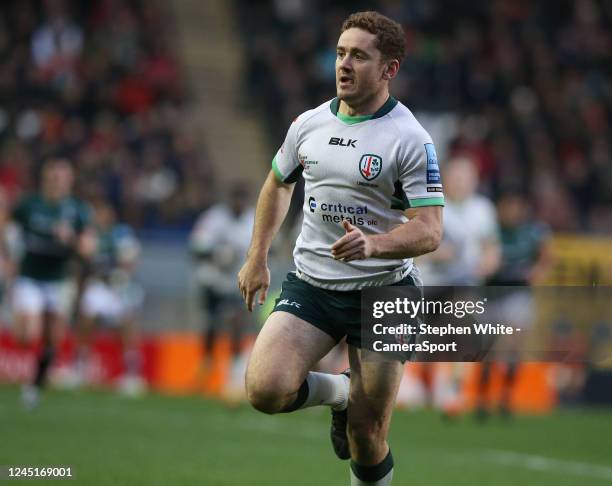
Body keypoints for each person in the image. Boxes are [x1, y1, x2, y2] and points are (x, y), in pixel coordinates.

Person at [238, 12, 444, 486]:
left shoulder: (410, 139)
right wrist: (257, 255)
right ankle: (338, 392)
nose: (344, 64)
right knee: (265, 390)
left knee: (367, 435)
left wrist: (375, 244)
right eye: (340, 53)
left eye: (359, 55)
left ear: (389, 69)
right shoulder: (308, 124)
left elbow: (431, 230)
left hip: (385, 291)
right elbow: (277, 183)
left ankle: (354, 410)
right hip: (313, 285)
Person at [9, 157, 95, 408]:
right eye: (53, 177)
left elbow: (89, 248)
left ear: (70, 181)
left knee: (53, 338)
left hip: (59, 279)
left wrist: (70, 239)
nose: (58, 182)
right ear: (45, 179)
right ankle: (22, 335)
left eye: (62, 177)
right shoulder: (29, 205)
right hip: (30, 276)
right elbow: (8, 225)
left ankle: (35, 385)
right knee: (28, 335)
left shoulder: (78, 210)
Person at [477, 188, 552, 418]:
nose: (511, 211)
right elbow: (481, 261)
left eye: (515, 206)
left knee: (513, 348)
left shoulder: (534, 231)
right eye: (507, 206)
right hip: (492, 294)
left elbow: (546, 258)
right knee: (487, 348)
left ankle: (506, 398)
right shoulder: (491, 230)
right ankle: (483, 399)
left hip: (518, 295)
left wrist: (536, 272)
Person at [75, 199, 145, 395]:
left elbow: (131, 260)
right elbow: (82, 260)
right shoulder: (90, 235)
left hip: (118, 285)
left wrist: (122, 273)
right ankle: (81, 368)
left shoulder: (121, 233)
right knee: (85, 321)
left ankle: (132, 374)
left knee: (126, 325)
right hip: (98, 284)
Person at [190, 185, 255, 393]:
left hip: (238, 282)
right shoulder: (213, 218)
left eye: (241, 201)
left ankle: (234, 374)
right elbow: (196, 249)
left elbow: (268, 249)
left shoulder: (253, 220)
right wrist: (218, 254)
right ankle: (206, 364)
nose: (238, 205)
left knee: (237, 323)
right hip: (212, 280)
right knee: (210, 325)